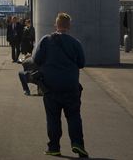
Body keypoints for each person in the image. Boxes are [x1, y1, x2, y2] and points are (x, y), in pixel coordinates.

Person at [32, 12, 88, 158]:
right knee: (74, 116)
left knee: (53, 117)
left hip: (50, 87)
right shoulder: (76, 43)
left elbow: (36, 59)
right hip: (71, 86)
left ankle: (54, 147)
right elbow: (81, 64)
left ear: (55, 24)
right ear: (69, 26)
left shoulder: (45, 40)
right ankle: (78, 144)